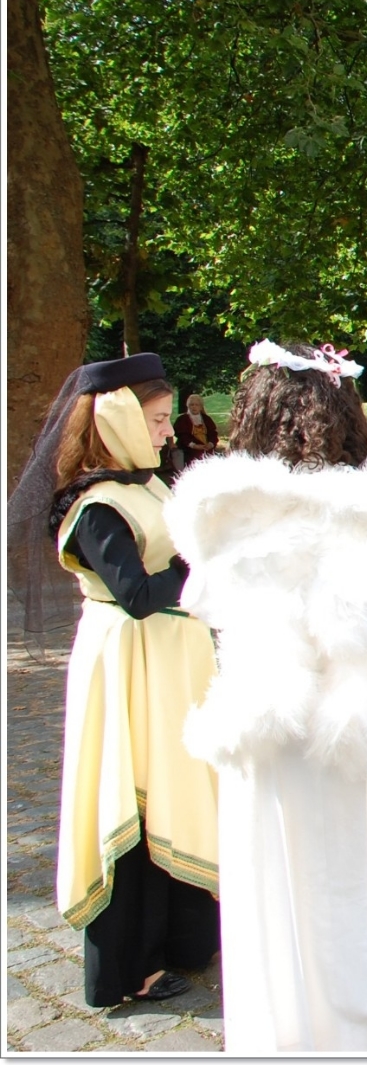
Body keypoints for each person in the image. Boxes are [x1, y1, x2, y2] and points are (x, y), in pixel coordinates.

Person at [164, 340, 367, 1052]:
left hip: (268, 718)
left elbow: (203, 602)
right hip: (364, 711)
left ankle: (290, 1026)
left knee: (282, 872)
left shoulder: (227, 510)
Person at [8, 353, 220, 1008]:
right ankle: (132, 967)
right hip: (128, 666)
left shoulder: (149, 486)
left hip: (170, 664)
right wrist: (204, 558)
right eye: (156, 420)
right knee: (133, 796)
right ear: (118, 420)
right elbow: (136, 594)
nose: (166, 431)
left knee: (179, 788)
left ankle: (185, 942)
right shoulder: (96, 506)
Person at [174, 394, 219, 469]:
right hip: (188, 451)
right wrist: (194, 445)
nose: (194, 407)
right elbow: (182, 436)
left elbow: (213, 433)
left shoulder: (206, 419)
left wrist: (210, 444)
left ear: (201, 407)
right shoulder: (182, 419)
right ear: (188, 406)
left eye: (197, 405)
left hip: (206, 449)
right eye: (192, 405)